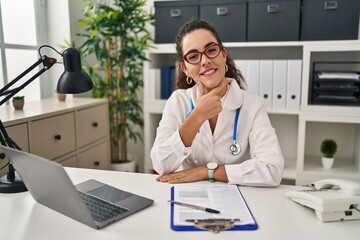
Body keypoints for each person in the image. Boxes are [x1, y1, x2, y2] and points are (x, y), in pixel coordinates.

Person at [150, 19, 284, 186]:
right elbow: (161, 164)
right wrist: (197, 116)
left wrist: (206, 171)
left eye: (211, 50)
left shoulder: (252, 104)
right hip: (190, 199)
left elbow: (272, 170)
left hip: (237, 199)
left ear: (223, 55)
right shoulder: (178, 102)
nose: (205, 61)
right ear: (185, 69)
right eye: (193, 56)